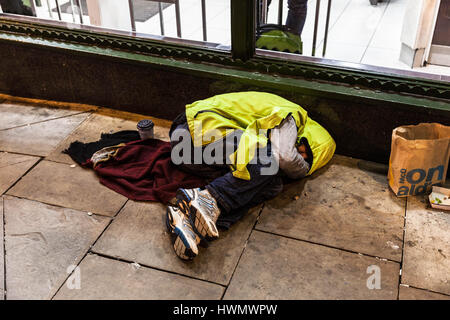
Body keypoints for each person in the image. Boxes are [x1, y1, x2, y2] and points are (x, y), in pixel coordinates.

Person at [166, 92, 335, 260]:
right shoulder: (293, 115)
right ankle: (210, 198)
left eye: (305, 159)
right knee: (271, 160)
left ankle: (187, 219)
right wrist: (301, 168)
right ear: (311, 137)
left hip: (191, 152)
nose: (300, 156)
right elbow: (286, 156)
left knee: (273, 185)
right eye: (304, 151)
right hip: (191, 132)